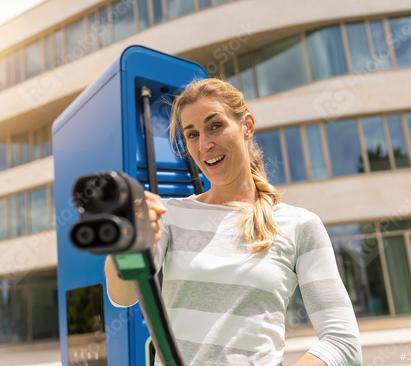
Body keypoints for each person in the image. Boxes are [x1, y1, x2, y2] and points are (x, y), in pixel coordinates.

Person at [105, 78, 362, 366]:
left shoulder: (299, 225)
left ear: (247, 126)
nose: (205, 144)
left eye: (215, 125)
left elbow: (342, 341)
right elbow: (122, 295)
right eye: (192, 134)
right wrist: (128, 239)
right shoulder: (169, 215)